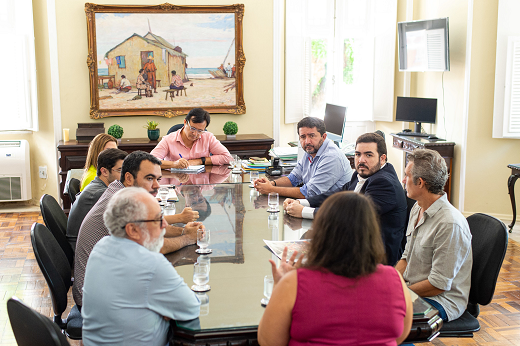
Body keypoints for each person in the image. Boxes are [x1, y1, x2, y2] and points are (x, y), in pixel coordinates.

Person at [258, 192, 413, 346]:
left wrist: (280, 288)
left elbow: (270, 341)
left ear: (322, 232)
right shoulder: (394, 279)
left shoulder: (294, 284)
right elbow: (401, 334)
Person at [73, 151, 201, 308]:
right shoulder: (125, 202)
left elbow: (154, 225)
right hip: (96, 300)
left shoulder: (119, 189)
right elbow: (157, 246)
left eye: (158, 179)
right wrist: (188, 238)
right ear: (128, 178)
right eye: (149, 178)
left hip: (105, 283)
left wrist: (184, 231)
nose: (157, 185)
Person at [82, 187, 200, 346]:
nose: (164, 224)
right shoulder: (150, 264)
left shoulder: (100, 247)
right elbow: (190, 307)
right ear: (133, 229)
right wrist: (163, 310)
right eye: (158, 219)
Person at [284, 132, 407, 265]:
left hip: (375, 256)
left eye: (368, 155)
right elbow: (336, 195)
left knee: (305, 263)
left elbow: (352, 216)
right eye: (358, 154)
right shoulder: (362, 173)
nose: (361, 160)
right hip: (353, 242)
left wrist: (303, 211)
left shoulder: (384, 183)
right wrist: (302, 202)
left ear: (382, 158)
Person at [396, 149, 472, 322]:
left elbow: (438, 285)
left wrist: (400, 292)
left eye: (407, 175)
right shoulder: (417, 208)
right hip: (415, 289)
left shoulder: (450, 224)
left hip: (441, 301)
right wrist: (390, 281)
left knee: (386, 317)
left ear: (420, 182)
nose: (403, 180)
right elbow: (406, 258)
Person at [254, 117, 352, 199]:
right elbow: (293, 178)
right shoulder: (310, 150)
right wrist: (271, 184)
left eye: (312, 136)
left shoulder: (332, 157)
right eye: (303, 137)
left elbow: (309, 193)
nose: (307, 141)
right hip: (319, 205)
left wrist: (271, 189)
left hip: (337, 211)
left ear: (324, 136)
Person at [67, 148, 127, 250]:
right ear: (104, 171)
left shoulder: (98, 186)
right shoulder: (99, 194)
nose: (125, 175)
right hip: (83, 251)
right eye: (120, 170)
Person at [150, 107, 232, 169]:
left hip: (200, 185)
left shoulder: (208, 137)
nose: (195, 134)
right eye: (192, 128)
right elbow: (151, 161)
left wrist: (200, 161)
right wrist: (174, 164)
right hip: (175, 185)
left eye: (200, 131)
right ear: (185, 122)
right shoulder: (168, 140)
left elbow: (228, 158)